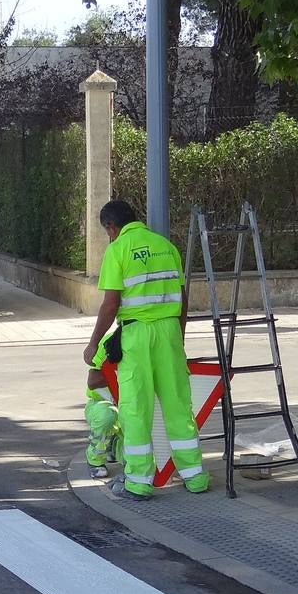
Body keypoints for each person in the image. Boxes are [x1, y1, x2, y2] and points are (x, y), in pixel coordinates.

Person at [83, 199, 208, 499]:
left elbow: (110, 304)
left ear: (111, 227)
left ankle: (138, 481)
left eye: (107, 232)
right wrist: (178, 335)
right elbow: (183, 298)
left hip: (137, 335)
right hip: (169, 332)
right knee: (178, 405)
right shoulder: (166, 246)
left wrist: (93, 343)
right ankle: (195, 477)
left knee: (136, 409)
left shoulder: (118, 250)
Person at [85, 325, 122, 478]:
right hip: (102, 402)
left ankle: (114, 446)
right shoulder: (110, 341)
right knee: (107, 415)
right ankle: (95, 459)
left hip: (135, 404)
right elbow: (93, 381)